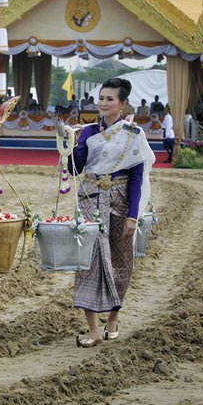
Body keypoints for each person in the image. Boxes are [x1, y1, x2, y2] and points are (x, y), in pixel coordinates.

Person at [69, 78, 155, 348]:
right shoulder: (88, 131)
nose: (103, 103)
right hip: (90, 201)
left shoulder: (133, 134)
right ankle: (93, 329)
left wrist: (133, 215)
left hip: (120, 201)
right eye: (101, 98)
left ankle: (114, 317)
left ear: (123, 103)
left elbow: (137, 176)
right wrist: (72, 144)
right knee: (88, 263)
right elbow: (74, 169)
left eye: (110, 99)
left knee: (120, 261)